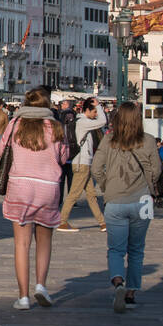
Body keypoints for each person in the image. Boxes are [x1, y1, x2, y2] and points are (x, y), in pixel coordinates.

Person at [0, 87, 70, 309]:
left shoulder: (15, 125)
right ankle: (41, 285)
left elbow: (0, 153)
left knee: (22, 243)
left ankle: (23, 297)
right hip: (48, 188)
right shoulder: (56, 127)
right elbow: (65, 156)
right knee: (44, 240)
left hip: (20, 186)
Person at [91, 101, 163, 312]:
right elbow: (156, 170)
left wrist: (106, 185)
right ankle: (131, 293)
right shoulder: (148, 141)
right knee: (136, 250)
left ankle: (118, 283)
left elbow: (96, 168)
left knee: (115, 249)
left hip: (115, 200)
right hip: (142, 201)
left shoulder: (108, 140)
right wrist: (147, 185)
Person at [58, 97, 107, 232]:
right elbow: (103, 121)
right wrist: (99, 106)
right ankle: (62, 221)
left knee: (91, 195)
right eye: (94, 111)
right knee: (74, 193)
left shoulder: (80, 121)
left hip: (84, 163)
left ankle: (102, 222)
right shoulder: (83, 122)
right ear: (87, 110)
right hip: (81, 163)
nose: (96, 114)